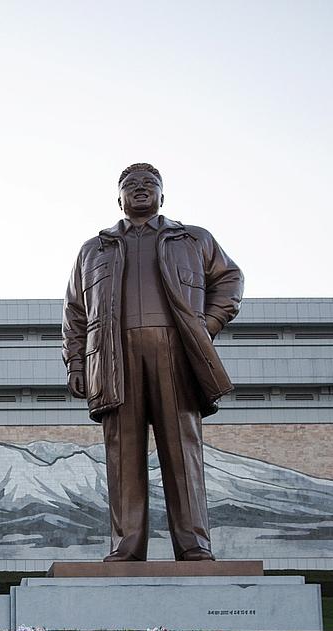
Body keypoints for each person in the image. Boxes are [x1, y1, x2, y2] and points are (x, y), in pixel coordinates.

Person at [62, 163, 243, 562]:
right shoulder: (94, 249)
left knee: (182, 451)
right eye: (131, 185)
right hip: (113, 359)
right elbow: (75, 313)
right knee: (122, 455)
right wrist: (76, 365)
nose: (140, 190)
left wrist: (206, 324)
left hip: (175, 353)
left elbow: (230, 279)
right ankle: (126, 547)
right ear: (119, 197)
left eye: (150, 184)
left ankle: (194, 545)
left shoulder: (193, 238)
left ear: (163, 195)